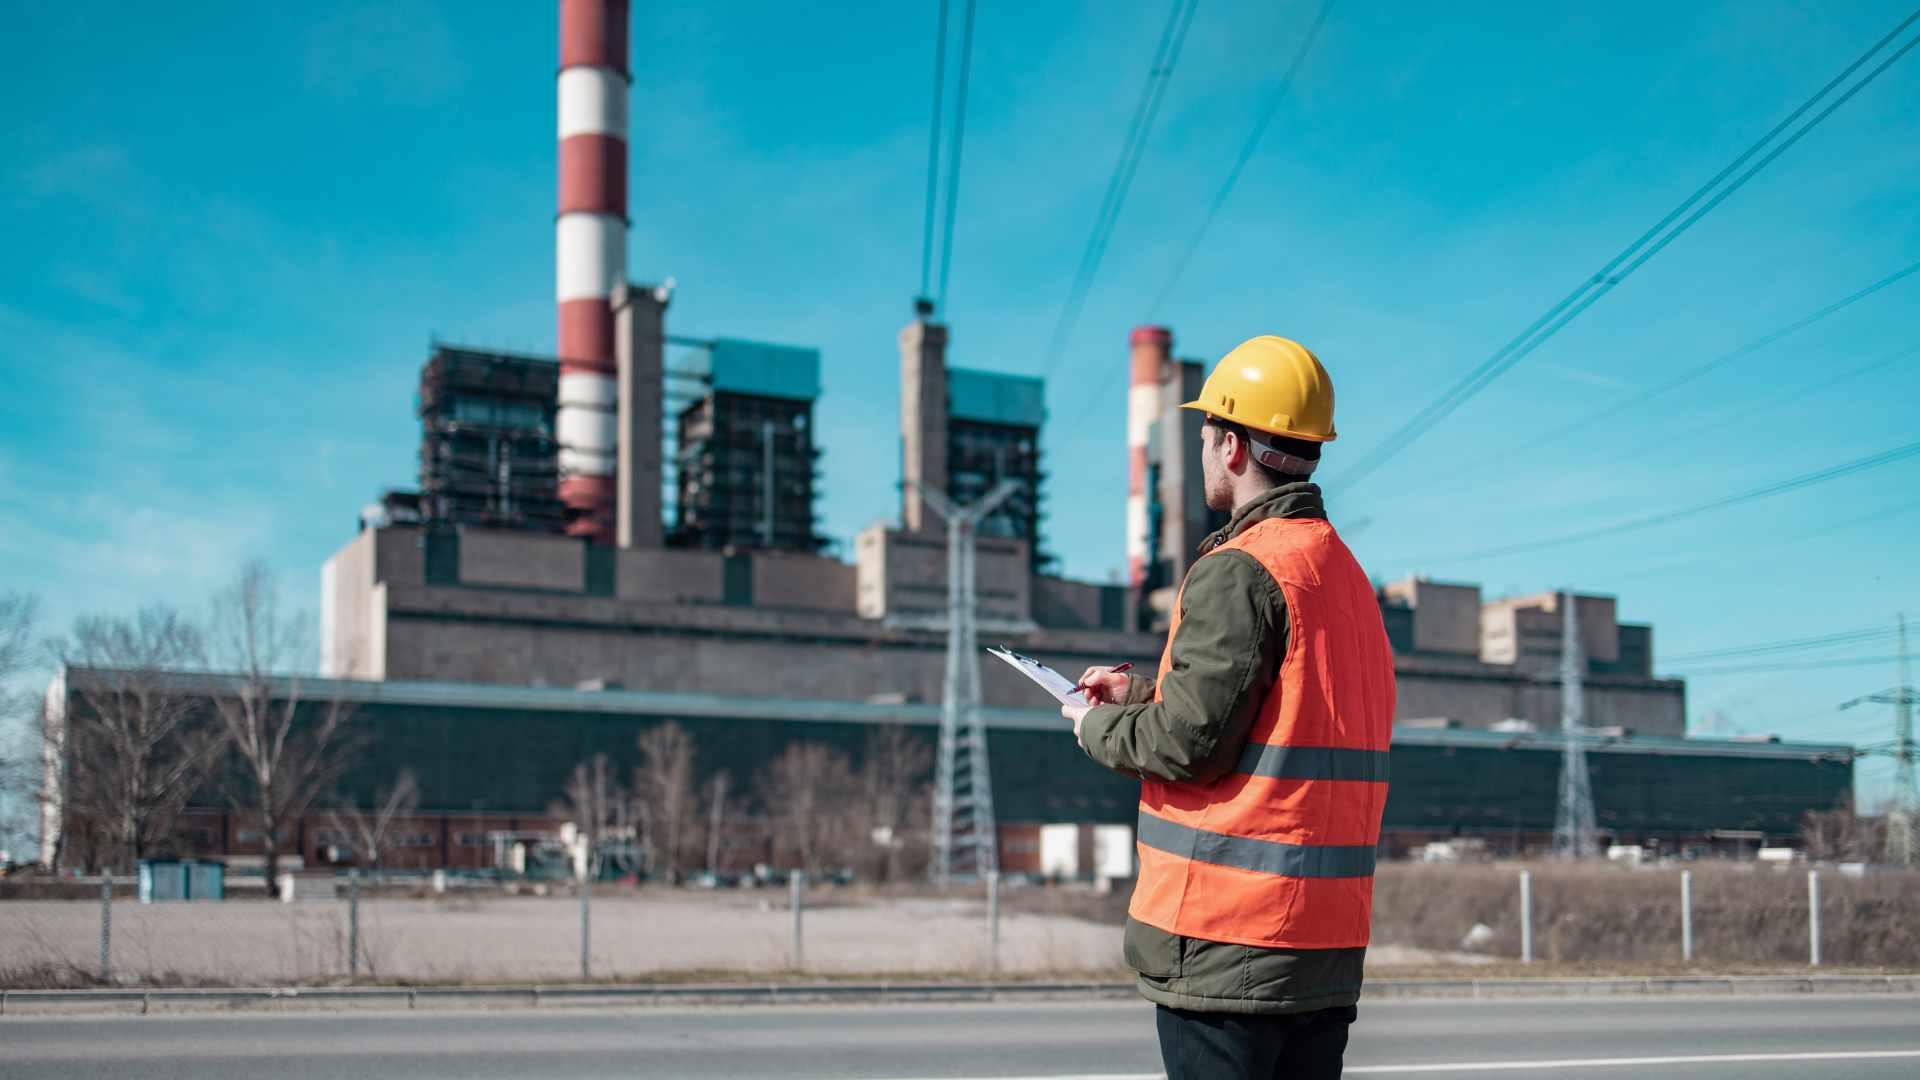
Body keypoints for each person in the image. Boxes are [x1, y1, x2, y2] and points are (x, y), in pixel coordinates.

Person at [1062, 336, 1395, 1080]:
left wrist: (1094, 724)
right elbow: (1279, 719)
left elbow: (1188, 745)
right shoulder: (1342, 577)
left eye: (1209, 433)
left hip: (1228, 940)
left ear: (1235, 446)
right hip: (1322, 942)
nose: (1207, 447)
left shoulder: (1240, 570)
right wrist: (1142, 694)